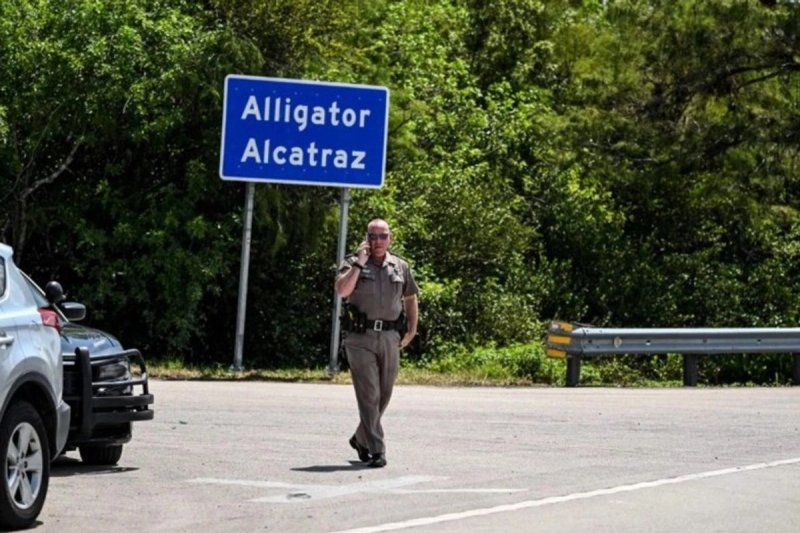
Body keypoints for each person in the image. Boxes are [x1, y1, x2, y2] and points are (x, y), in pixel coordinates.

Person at [335, 218, 419, 468]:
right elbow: (342, 291)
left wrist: (412, 330)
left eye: (383, 236)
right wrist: (360, 263)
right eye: (373, 236)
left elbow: (411, 297)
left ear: (390, 239)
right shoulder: (352, 263)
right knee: (369, 394)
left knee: (384, 394)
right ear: (366, 238)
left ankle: (360, 438)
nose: (378, 241)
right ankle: (376, 449)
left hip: (391, 337)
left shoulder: (400, 266)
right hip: (360, 338)